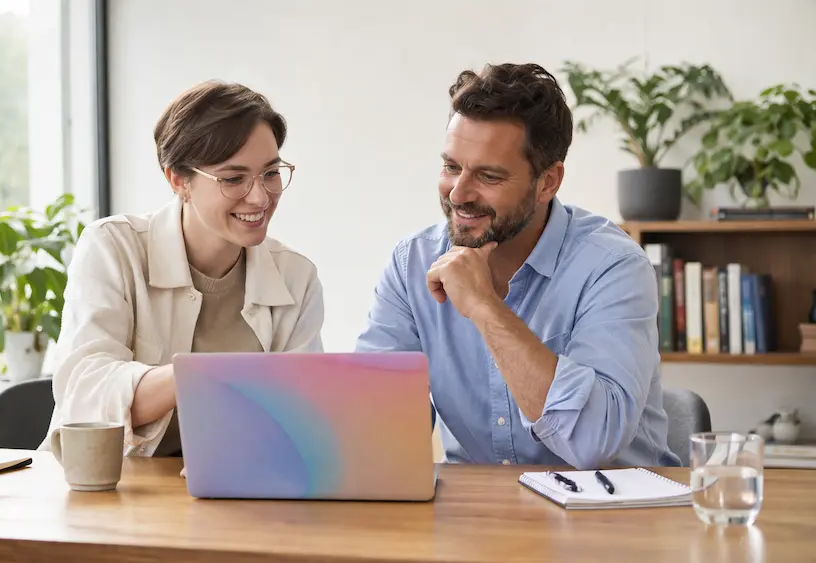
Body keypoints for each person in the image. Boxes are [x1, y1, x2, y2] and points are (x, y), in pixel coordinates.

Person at [355, 63, 680, 470]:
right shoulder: (412, 263)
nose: (458, 193)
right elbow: (378, 431)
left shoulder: (613, 266)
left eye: (488, 176)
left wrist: (484, 306)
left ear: (547, 182)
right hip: (477, 516)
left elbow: (594, 442)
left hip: (613, 513)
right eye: (452, 167)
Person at [39, 81, 324, 457]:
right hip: (115, 492)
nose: (260, 196)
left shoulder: (295, 276)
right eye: (233, 178)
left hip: (239, 495)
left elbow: (302, 419)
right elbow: (86, 391)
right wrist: (201, 377)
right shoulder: (114, 246)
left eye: (271, 173)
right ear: (178, 180)